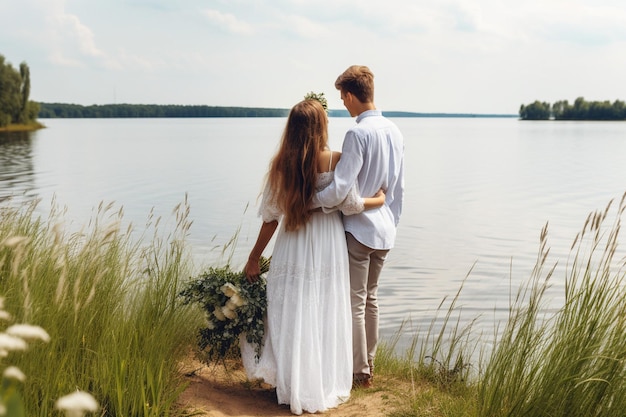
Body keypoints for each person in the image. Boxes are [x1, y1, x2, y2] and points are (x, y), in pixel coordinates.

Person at [242, 98, 385, 415]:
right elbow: (349, 204)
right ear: (321, 127)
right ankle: (317, 381)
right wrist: (378, 200)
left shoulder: (280, 165)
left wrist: (254, 257)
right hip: (326, 243)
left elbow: (270, 218)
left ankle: (292, 382)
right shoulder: (336, 160)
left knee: (290, 305)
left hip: (292, 242)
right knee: (323, 306)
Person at [314, 65, 405, 389]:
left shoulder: (357, 133)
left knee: (355, 300)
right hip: (384, 231)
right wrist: (390, 222)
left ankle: (359, 370)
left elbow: (340, 189)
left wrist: (309, 202)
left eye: (343, 97)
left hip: (358, 229)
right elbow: (398, 188)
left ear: (352, 95)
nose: (343, 103)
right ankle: (369, 365)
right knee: (371, 299)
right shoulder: (394, 130)